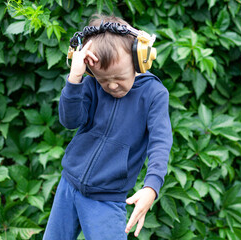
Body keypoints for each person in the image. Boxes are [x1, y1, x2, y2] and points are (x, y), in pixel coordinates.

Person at [43, 14, 172, 240]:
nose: (112, 85)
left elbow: (160, 143)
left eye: (119, 77)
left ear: (138, 59)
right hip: (68, 185)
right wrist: (75, 78)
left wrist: (151, 187)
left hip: (107, 198)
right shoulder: (91, 83)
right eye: (104, 80)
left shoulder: (154, 95)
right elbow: (69, 121)